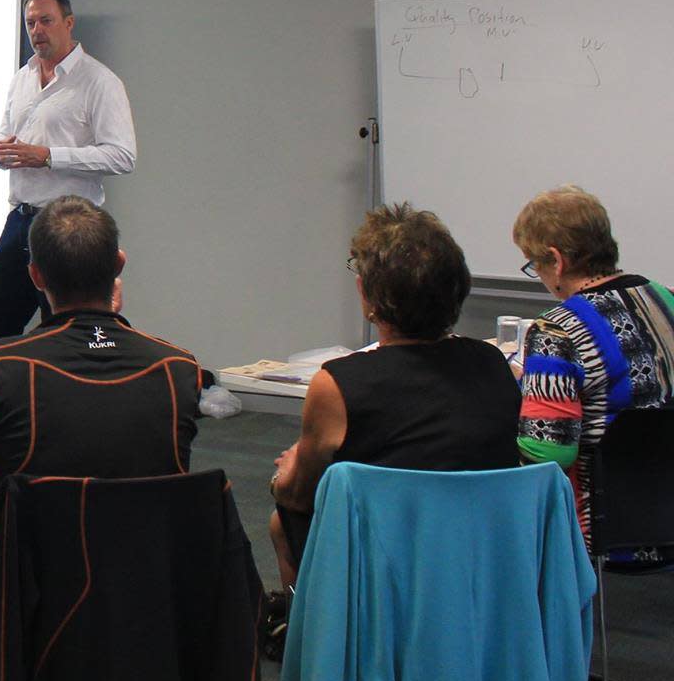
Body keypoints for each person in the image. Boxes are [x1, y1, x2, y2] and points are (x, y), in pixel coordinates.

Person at [0, 195, 199, 644]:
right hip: (150, 575)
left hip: (33, 576)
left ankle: (10, 680)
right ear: (118, 264)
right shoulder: (179, 369)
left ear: (35, 275)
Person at [267, 204, 519, 595]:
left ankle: (314, 644)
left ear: (369, 296)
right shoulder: (493, 363)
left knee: (282, 520)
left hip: (385, 569)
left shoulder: (337, 383)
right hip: (483, 560)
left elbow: (300, 494)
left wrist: (284, 475)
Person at [514, 185, 674, 562]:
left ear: (556, 260)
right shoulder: (665, 299)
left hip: (601, 531)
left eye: (533, 264)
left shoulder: (558, 330)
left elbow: (546, 455)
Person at [0, 0, 136, 345]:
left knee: (68, 330)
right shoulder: (22, 78)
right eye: (30, 23)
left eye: (46, 21)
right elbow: (5, 136)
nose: (37, 30)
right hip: (20, 220)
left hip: (68, 225)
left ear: (68, 23)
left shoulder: (99, 82)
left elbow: (122, 156)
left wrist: (48, 156)